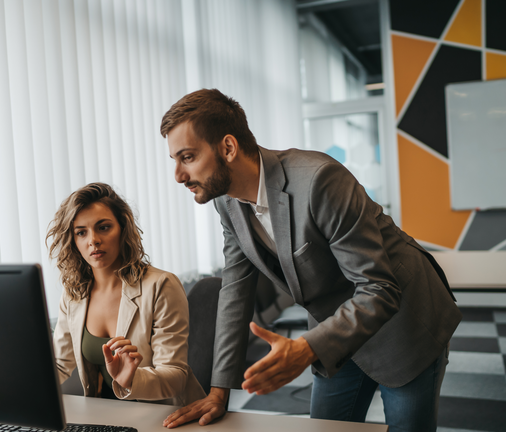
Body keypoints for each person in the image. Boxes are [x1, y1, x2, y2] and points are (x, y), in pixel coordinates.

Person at [159, 89, 462, 431]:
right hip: (332, 330)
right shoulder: (226, 202)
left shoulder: (319, 180)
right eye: (175, 160)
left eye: (187, 157)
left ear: (227, 148)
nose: (179, 176)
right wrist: (218, 392)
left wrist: (304, 349)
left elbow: (379, 289)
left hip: (404, 325)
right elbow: (235, 291)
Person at [46, 182, 206, 406]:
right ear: (73, 241)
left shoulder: (161, 285)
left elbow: (176, 376)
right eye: (81, 232)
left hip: (165, 415)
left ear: (123, 229)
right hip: (108, 416)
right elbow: (60, 365)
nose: (93, 240)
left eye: (103, 227)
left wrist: (132, 379)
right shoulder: (74, 293)